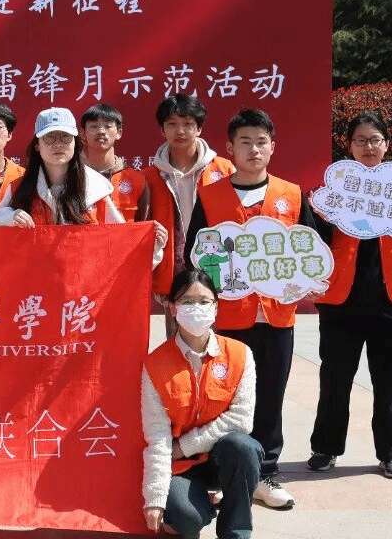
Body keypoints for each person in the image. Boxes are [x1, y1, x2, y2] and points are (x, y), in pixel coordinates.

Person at [185, 108, 316, 510]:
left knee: (270, 396)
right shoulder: (210, 196)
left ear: (273, 147)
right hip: (228, 318)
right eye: (245, 142)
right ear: (229, 148)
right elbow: (194, 259)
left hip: (276, 317)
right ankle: (220, 475)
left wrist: (306, 280)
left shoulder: (292, 195)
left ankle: (265, 474)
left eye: (261, 142)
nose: (254, 149)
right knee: (221, 397)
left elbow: (310, 251)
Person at [308, 112, 392, 480]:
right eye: (360, 140)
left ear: (386, 145)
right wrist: (321, 217)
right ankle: (326, 448)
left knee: (390, 382)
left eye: (375, 139)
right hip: (341, 301)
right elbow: (315, 237)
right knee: (335, 380)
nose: (368, 146)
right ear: (348, 146)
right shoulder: (333, 189)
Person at [142, 269, 260, 539]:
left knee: (243, 447)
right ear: (173, 307)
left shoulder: (240, 355)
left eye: (204, 301)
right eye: (187, 301)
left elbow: (241, 420)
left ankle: (236, 531)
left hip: (220, 458)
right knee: (185, 519)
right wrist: (155, 498)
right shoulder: (155, 365)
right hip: (180, 466)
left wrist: (183, 447)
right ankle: (198, 504)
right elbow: (157, 436)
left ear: (216, 307)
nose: (197, 308)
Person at [0, 108, 168, 264]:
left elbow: (120, 243)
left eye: (65, 137)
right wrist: (7, 217)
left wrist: (150, 243)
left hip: (83, 288)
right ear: (37, 145)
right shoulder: (18, 189)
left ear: (76, 142)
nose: (58, 144)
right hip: (34, 286)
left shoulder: (96, 190)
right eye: (49, 138)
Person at [146, 93, 234, 335]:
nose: (180, 131)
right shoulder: (150, 177)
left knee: (219, 339)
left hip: (215, 265)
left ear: (199, 128)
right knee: (177, 339)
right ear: (162, 129)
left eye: (187, 124)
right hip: (174, 272)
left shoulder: (224, 169)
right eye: (172, 124)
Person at [79, 102, 149, 222]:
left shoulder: (137, 180)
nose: (101, 131)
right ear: (83, 133)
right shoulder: (73, 178)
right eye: (94, 126)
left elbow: (144, 227)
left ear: (119, 133)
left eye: (107, 126)